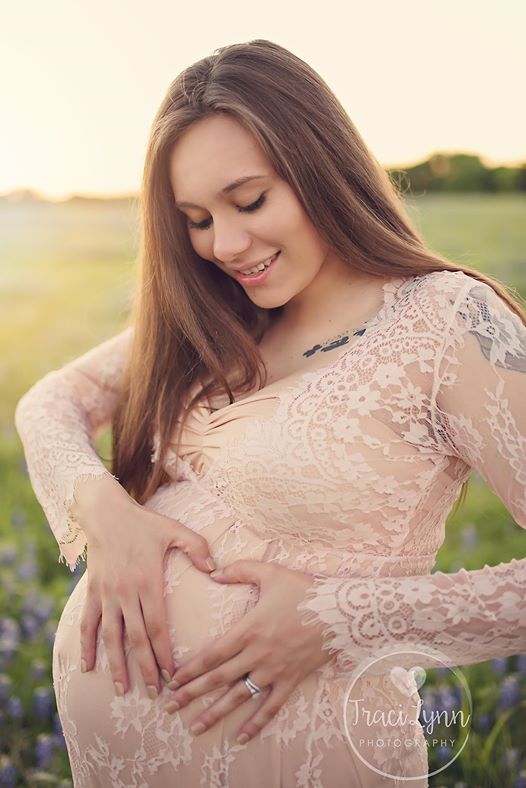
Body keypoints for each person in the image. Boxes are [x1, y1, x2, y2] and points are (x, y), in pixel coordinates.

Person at [14, 38, 526, 788]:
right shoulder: (213, 315)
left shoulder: (447, 322)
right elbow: (47, 403)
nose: (225, 244)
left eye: (249, 201)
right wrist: (107, 514)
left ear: (321, 166)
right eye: (194, 218)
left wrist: (339, 620)